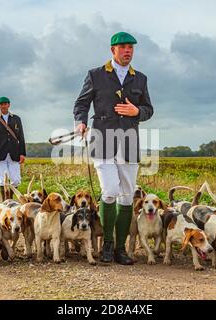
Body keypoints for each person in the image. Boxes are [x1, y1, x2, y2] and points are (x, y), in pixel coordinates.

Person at [73, 32, 154, 264]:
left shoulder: (140, 78)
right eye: (123, 47)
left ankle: (120, 249)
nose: (128, 51)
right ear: (113, 50)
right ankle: (107, 244)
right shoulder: (96, 75)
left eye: (131, 47)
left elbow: (148, 109)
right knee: (109, 191)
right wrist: (80, 121)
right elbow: (81, 103)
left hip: (129, 140)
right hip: (102, 138)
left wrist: (137, 112)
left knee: (127, 196)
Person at [0, 96, 26, 201]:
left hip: (15, 153)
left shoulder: (17, 119)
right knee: (3, 179)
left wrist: (22, 153)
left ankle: (11, 200)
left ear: (9, 105)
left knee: (16, 180)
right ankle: (5, 202)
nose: (3, 106)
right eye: (1, 104)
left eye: (5, 104)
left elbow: (21, 137)